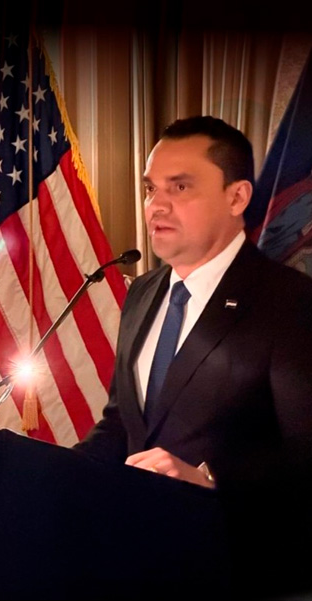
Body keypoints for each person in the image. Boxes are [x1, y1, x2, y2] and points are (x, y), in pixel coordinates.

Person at [74, 116, 312, 594]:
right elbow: (123, 422)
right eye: (151, 188)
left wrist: (210, 479)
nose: (156, 205)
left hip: (241, 570)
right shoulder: (142, 292)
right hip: (135, 564)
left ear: (237, 197)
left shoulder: (290, 301)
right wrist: (56, 473)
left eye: (180, 187)